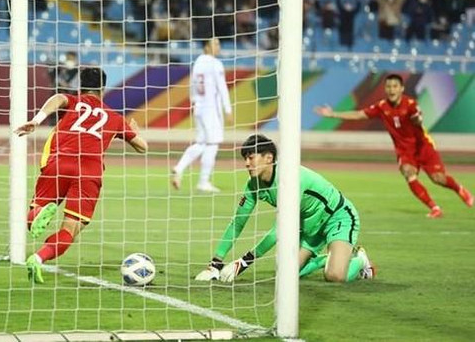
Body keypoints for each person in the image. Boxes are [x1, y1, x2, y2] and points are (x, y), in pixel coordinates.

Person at [14, 67, 148, 284]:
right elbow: (143, 148)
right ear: (103, 89)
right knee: (70, 231)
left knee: (33, 216)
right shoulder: (114, 118)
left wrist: (37, 120)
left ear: (80, 86)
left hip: (60, 163)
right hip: (89, 172)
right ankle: (39, 258)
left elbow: (57, 98)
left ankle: (39, 213)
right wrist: (135, 133)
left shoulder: (73, 101)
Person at [194, 134, 375, 284]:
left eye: (251, 157)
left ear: (269, 157)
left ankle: (359, 259)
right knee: (285, 276)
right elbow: (237, 223)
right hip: (309, 227)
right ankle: (328, 259)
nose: (246, 163)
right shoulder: (252, 186)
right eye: (245, 158)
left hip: (337, 217)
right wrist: (215, 264)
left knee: (334, 276)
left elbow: (278, 230)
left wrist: (243, 262)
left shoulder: (290, 178)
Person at [314, 74, 472, 218]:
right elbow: (359, 114)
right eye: (388, 86)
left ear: (401, 88)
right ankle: (435, 208)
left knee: (439, 179)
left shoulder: (410, 104)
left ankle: (459, 189)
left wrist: (417, 119)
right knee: (408, 173)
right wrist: (333, 114)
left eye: (395, 86)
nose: (391, 90)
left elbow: (418, 119)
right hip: (404, 151)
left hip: (423, 147)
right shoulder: (382, 107)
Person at [171, 38, 233, 192]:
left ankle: (179, 168)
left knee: (202, 142)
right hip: (211, 109)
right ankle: (203, 181)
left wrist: (194, 103)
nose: (218, 47)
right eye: (215, 44)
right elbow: (222, 88)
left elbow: (192, 86)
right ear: (206, 46)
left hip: (199, 107)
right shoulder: (215, 64)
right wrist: (228, 109)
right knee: (212, 144)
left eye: (218, 44)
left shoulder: (198, 63)